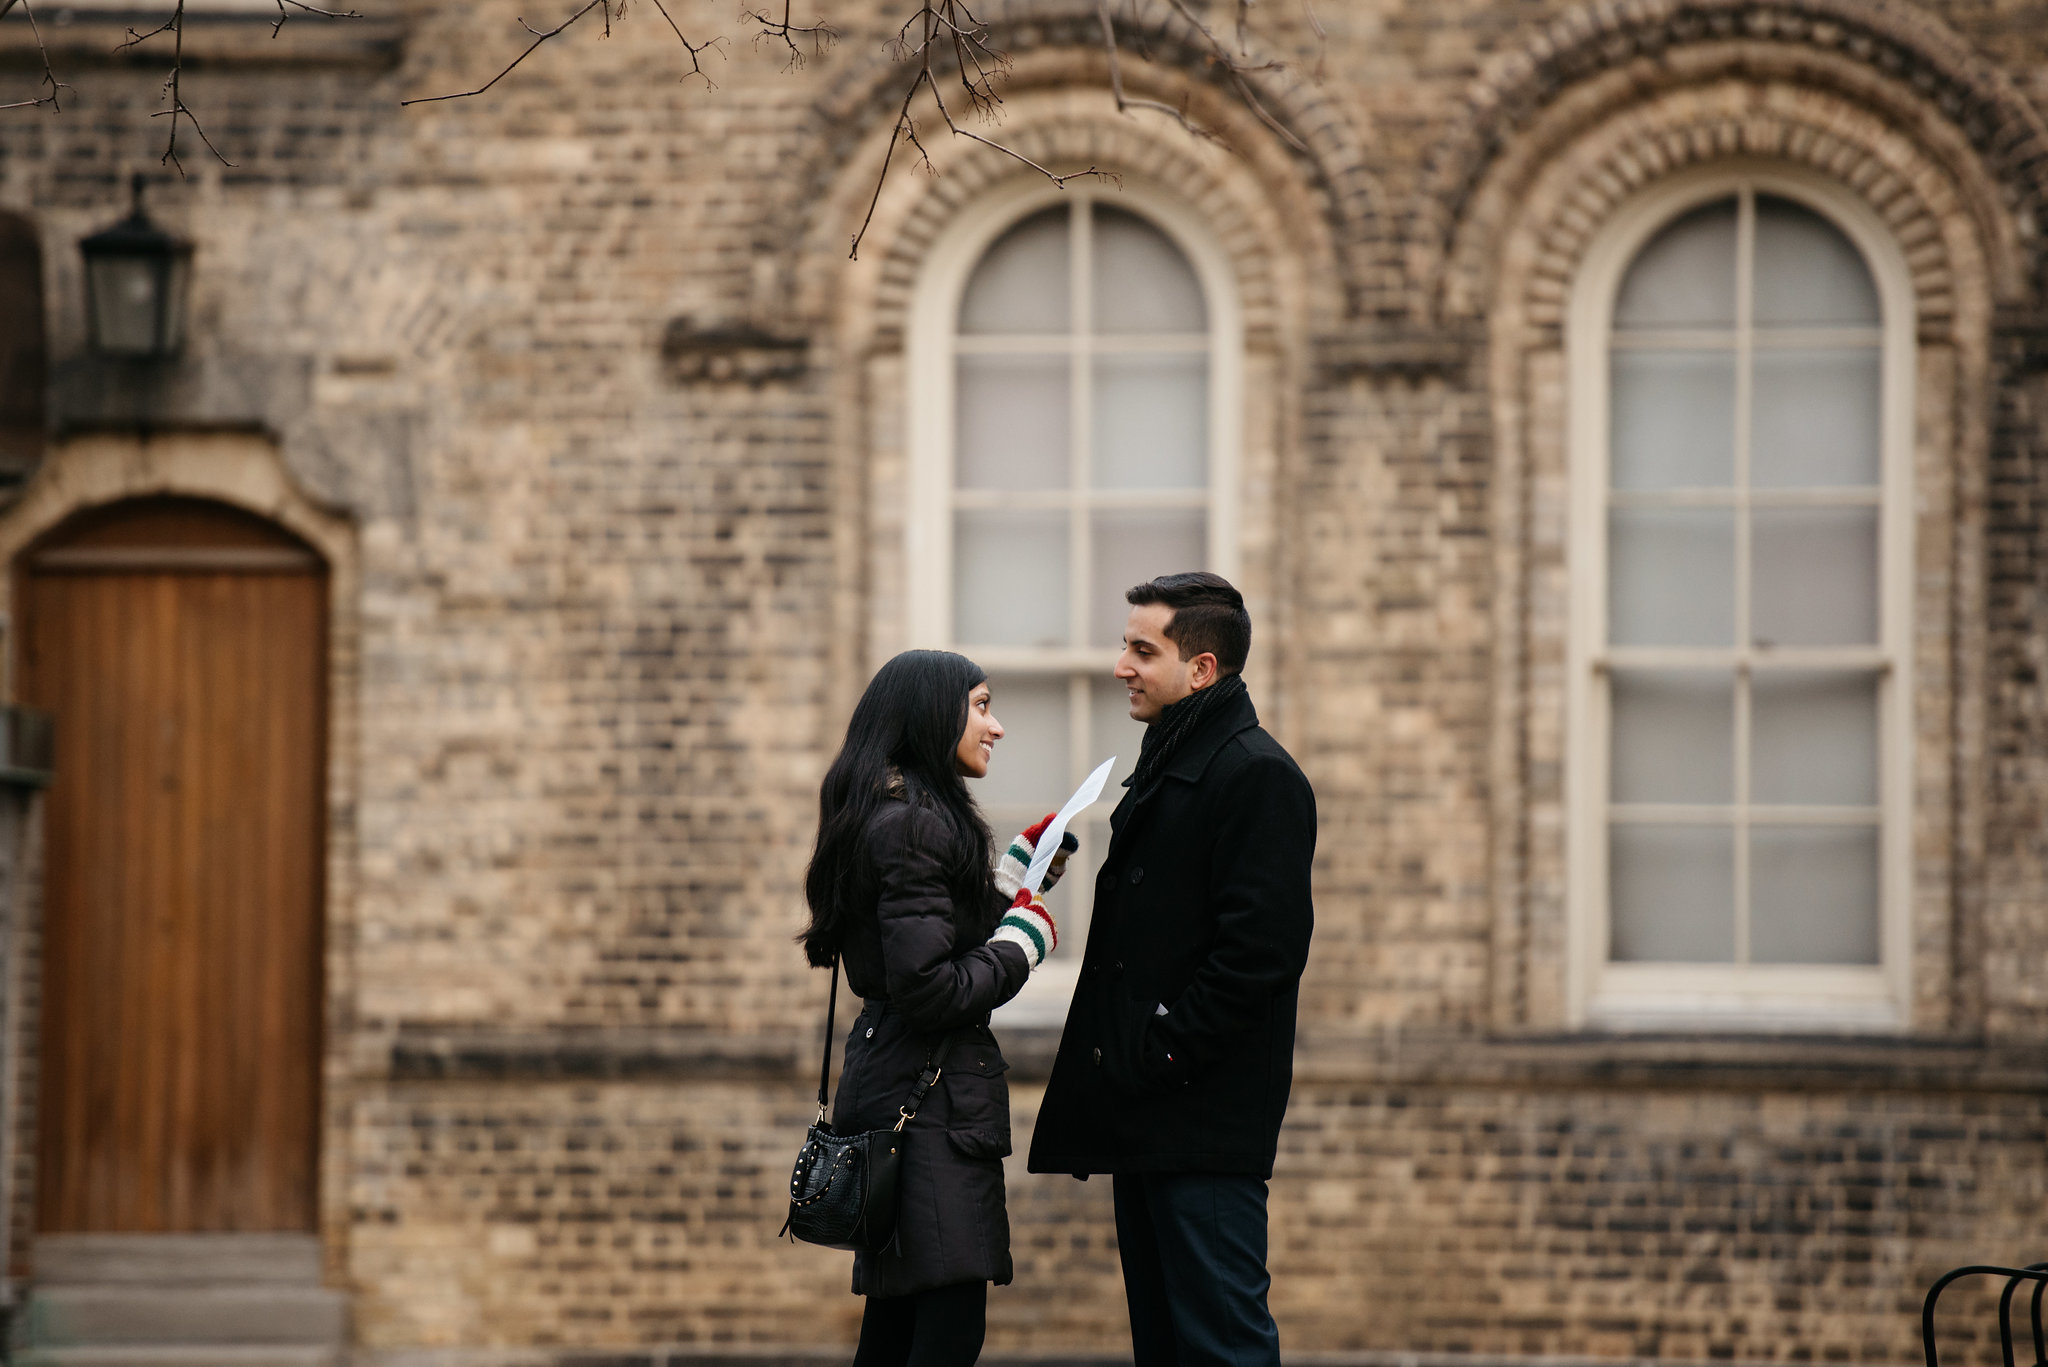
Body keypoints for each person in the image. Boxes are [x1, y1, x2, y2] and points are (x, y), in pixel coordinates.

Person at [1027, 572, 1316, 1367]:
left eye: (1141, 649)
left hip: (1202, 1123)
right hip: (1151, 1115)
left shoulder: (1257, 774)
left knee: (1223, 1350)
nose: (1122, 664)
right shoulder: (1170, 763)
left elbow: (1262, 953)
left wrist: (1160, 1047)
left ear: (1203, 669)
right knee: (1166, 1348)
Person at [799, 649, 1072, 1366]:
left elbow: (917, 945)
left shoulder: (886, 814)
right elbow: (931, 988)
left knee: (895, 1328)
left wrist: (1011, 879)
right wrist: (1022, 942)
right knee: (948, 1328)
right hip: (928, 1111)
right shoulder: (917, 824)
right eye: (980, 706)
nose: (998, 726)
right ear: (932, 715)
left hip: (898, 1092)